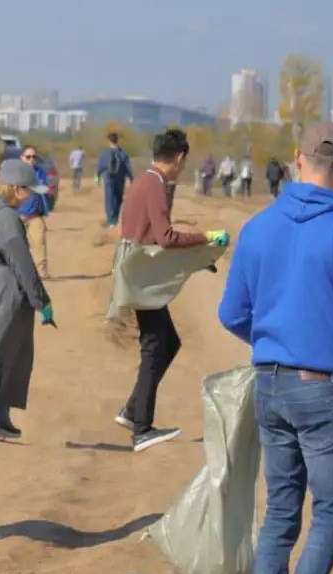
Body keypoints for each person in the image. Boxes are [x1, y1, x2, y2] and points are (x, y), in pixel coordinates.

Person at [218, 122, 333, 574]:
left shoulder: (259, 227)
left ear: (295, 158)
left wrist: (272, 340)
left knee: (282, 515)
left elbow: (231, 313)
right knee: (331, 515)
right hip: (322, 390)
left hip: (271, 384)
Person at [115, 129, 226, 452]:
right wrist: (204, 237)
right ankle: (142, 428)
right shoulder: (155, 185)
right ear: (179, 157)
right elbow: (165, 238)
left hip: (141, 272)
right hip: (142, 277)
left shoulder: (146, 180)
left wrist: (195, 259)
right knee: (155, 346)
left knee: (168, 342)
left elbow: (155, 239)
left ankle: (132, 410)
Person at [0, 159, 54, 440]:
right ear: (16, 189)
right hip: (3, 287)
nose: (31, 196)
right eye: (28, 190)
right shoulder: (6, 219)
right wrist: (42, 300)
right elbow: (22, 262)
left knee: (10, 352)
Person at [18, 147, 52, 279]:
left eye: (34, 157)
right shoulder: (16, 173)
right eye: (28, 157)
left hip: (35, 215)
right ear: (21, 158)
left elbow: (43, 188)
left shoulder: (40, 172)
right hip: (18, 215)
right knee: (17, 246)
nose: (31, 159)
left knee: (39, 243)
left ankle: (42, 272)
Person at [96, 132, 134, 227]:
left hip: (108, 178)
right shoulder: (123, 153)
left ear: (109, 141)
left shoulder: (104, 153)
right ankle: (115, 218)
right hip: (120, 179)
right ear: (117, 140)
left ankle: (111, 220)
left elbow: (100, 167)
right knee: (118, 198)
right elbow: (128, 167)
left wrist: (97, 177)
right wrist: (131, 178)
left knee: (109, 198)